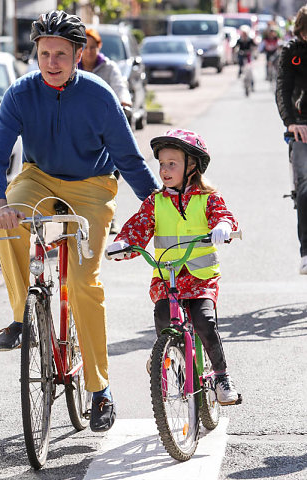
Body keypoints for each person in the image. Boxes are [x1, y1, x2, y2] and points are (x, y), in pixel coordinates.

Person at [0, 10, 159, 432]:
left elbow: (128, 159)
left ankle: (100, 389)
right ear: (36, 54)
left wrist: (158, 205)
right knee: (8, 223)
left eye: (61, 53)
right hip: (38, 178)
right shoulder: (21, 94)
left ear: (79, 55)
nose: (52, 62)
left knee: (82, 283)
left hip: (92, 186)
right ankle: (24, 316)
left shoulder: (99, 97)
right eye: (45, 53)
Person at [106, 129, 240, 405]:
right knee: (164, 315)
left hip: (201, 277)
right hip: (167, 277)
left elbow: (223, 216)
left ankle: (222, 376)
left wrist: (223, 227)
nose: (165, 170)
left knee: (204, 321)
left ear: (192, 167)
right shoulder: (155, 202)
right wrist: (123, 244)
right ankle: (163, 356)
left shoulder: (208, 198)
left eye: (172, 164)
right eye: (162, 164)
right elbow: (138, 227)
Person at [78, 27, 132, 235]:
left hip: (104, 128)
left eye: (93, 47)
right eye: (85, 47)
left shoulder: (108, 68)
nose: (89, 51)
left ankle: (110, 216)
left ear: (99, 47)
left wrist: (123, 101)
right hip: (79, 128)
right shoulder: (74, 67)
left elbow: (120, 87)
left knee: (109, 173)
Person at [276, 4, 307, 274]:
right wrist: (291, 122)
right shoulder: (291, 52)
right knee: (306, 186)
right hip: (302, 126)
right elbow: (283, 89)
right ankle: (306, 252)